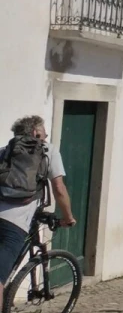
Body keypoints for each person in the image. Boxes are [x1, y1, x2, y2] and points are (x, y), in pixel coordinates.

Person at [0, 115, 76, 286]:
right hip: (14, 224)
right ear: (36, 133)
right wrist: (68, 217)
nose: (46, 138)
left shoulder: (5, 151)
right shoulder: (47, 150)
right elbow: (58, 188)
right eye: (45, 134)